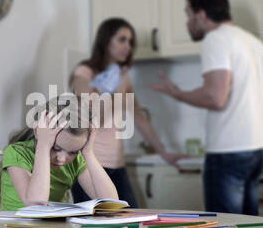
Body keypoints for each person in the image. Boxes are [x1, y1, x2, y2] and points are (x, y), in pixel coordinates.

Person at [149, 0, 263, 215]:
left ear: (202, 15)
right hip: (256, 150)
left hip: (228, 151)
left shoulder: (215, 40)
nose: (187, 22)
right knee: (249, 227)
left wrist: (178, 94)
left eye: (188, 14)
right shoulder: (256, 44)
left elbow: (216, 98)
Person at [69, 17, 189, 208]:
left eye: (131, 42)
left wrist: (163, 153)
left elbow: (139, 117)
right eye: (122, 39)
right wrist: (103, 87)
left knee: (132, 222)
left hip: (118, 167)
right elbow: (89, 109)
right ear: (106, 40)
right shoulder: (85, 71)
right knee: (92, 227)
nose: (128, 46)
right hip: (89, 167)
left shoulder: (123, 77)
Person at [0, 94, 119, 211]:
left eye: (73, 152)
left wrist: (88, 153)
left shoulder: (76, 161)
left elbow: (111, 204)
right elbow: (36, 205)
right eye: (56, 148)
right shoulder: (16, 153)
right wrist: (43, 146)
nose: (62, 159)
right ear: (38, 132)